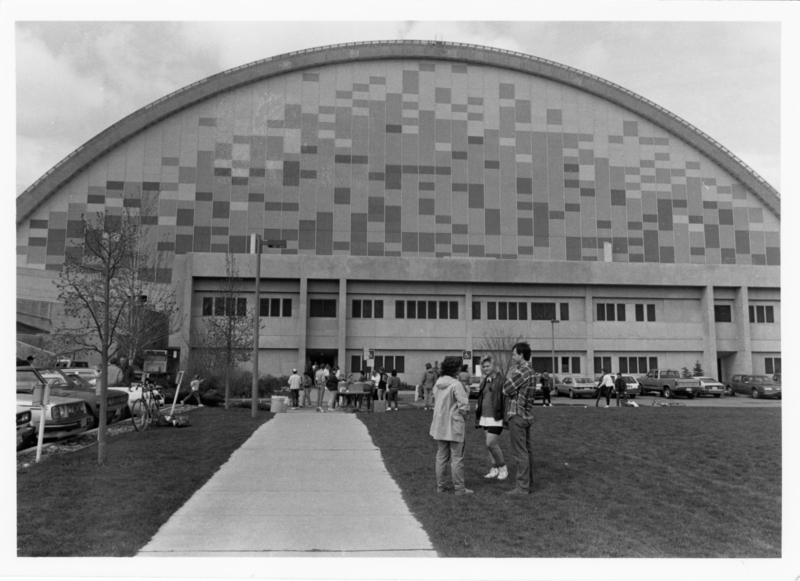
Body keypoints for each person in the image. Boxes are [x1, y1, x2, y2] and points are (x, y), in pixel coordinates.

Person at [429, 355, 472, 495]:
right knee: (456, 458)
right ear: (456, 368)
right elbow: (464, 406)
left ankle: (440, 487)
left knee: (441, 456)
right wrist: (464, 418)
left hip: (440, 423)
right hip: (454, 424)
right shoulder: (456, 384)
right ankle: (459, 489)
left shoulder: (438, 383)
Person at [502, 341, 536, 495]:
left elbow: (506, 389)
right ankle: (529, 482)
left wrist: (510, 385)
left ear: (522, 355)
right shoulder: (531, 371)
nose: (513, 356)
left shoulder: (521, 372)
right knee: (527, 451)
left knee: (520, 453)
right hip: (527, 415)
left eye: (514, 354)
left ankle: (522, 488)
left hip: (517, 415)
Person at [475, 355, 508, 480]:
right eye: (483, 367)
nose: (485, 368)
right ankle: (494, 468)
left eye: (488, 366)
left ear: (493, 366)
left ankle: (503, 468)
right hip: (485, 417)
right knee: (489, 445)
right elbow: (482, 397)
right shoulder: (484, 381)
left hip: (496, 416)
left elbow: (505, 397)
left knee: (491, 443)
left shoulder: (502, 380)